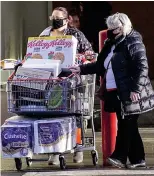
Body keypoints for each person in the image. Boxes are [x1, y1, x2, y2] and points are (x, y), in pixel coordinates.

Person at [70, 12, 154, 169]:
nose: (110, 31)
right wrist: (80, 69)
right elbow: (100, 65)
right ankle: (138, 160)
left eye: (113, 28)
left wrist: (135, 89)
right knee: (129, 126)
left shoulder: (133, 42)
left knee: (126, 125)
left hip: (131, 92)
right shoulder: (111, 43)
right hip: (116, 92)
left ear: (122, 27)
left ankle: (119, 157)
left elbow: (142, 68)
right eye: (109, 28)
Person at [39, 6, 94, 165]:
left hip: (73, 82)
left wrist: (81, 59)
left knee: (76, 115)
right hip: (52, 82)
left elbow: (89, 54)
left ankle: (77, 147)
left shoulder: (75, 34)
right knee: (53, 116)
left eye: (59, 18)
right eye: (53, 18)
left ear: (66, 19)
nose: (55, 21)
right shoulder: (46, 34)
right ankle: (55, 151)